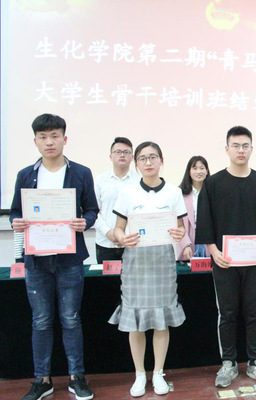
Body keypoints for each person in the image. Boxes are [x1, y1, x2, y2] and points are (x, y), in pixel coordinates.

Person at [10, 113, 98, 400]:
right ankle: (42, 380)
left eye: (54, 136)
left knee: (71, 318)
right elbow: (15, 211)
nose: (49, 142)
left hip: (69, 258)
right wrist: (15, 221)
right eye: (43, 137)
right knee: (41, 320)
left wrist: (85, 221)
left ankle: (76, 377)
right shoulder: (25, 175)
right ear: (35, 141)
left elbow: (92, 210)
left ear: (64, 139)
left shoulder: (81, 172)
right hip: (36, 259)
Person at [196, 126, 256, 388]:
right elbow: (205, 223)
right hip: (225, 261)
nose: (240, 150)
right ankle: (228, 363)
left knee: (255, 313)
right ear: (227, 149)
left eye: (245, 146)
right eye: (235, 145)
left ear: (252, 149)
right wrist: (214, 252)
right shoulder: (213, 183)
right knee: (228, 313)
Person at [109, 141, 187, 397]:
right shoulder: (128, 193)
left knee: (161, 321)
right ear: (136, 164)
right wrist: (121, 238)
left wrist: (180, 233)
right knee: (136, 322)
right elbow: (118, 228)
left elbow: (181, 227)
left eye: (153, 157)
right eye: (142, 158)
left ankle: (158, 373)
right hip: (136, 262)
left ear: (161, 161)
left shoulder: (174, 192)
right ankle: (140, 374)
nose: (148, 162)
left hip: (162, 262)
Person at [94, 137, 138, 263]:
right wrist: (108, 233)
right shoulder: (99, 180)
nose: (122, 155)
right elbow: (93, 211)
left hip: (132, 242)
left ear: (132, 157)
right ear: (110, 156)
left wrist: (125, 236)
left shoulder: (139, 181)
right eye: (118, 152)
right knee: (107, 276)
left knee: (132, 276)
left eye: (126, 152)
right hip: (105, 243)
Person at [176, 155, 210, 260]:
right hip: (187, 242)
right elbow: (177, 223)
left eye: (202, 168)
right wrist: (185, 244)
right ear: (189, 172)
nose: (198, 172)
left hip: (209, 243)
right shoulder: (179, 194)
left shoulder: (214, 193)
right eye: (195, 168)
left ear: (207, 171)